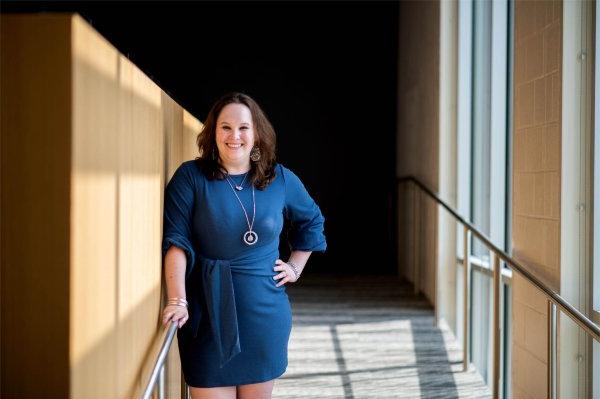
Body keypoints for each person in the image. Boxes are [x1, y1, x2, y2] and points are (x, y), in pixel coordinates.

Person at [160, 92, 327, 399]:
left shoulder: (280, 179)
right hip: (207, 314)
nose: (234, 136)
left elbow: (312, 220)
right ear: (213, 133)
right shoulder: (191, 177)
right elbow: (177, 242)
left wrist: (295, 267)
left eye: (243, 128)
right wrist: (177, 300)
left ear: (257, 134)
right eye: (225, 127)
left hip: (263, 314)